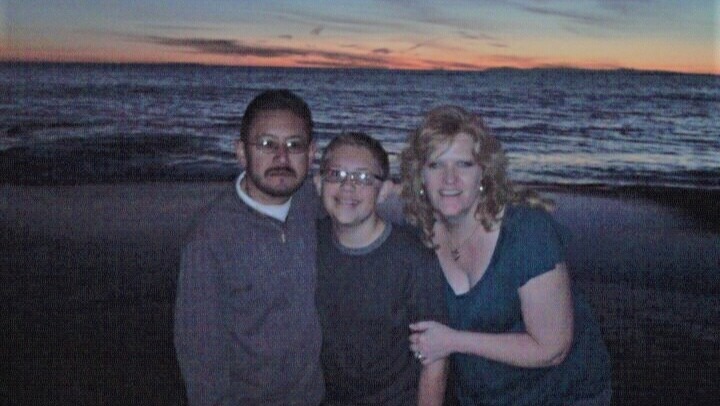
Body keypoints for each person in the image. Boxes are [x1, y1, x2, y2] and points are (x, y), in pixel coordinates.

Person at [400, 106, 612, 405]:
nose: (449, 178)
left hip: (563, 395)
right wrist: (372, 185)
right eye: (436, 165)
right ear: (420, 177)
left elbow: (552, 349)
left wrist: (453, 341)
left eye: (464, 164)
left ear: (484, 173)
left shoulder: (526, 232)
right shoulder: (422, 236)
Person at [174, 89, 324, 406]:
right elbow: (200, 353)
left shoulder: (313, 204)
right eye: (267, 144)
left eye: (294, 145)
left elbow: (362, 200)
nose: (282, 158)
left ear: (311, 154)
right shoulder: (212, 237)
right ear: (241, 152)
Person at [313, 132, 448, 406]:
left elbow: (435, 359)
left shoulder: (413, 259)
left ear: (385, 191)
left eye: (363, 177)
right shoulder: (309, 242)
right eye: (336, 174)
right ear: (319, 183)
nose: (348, 186)